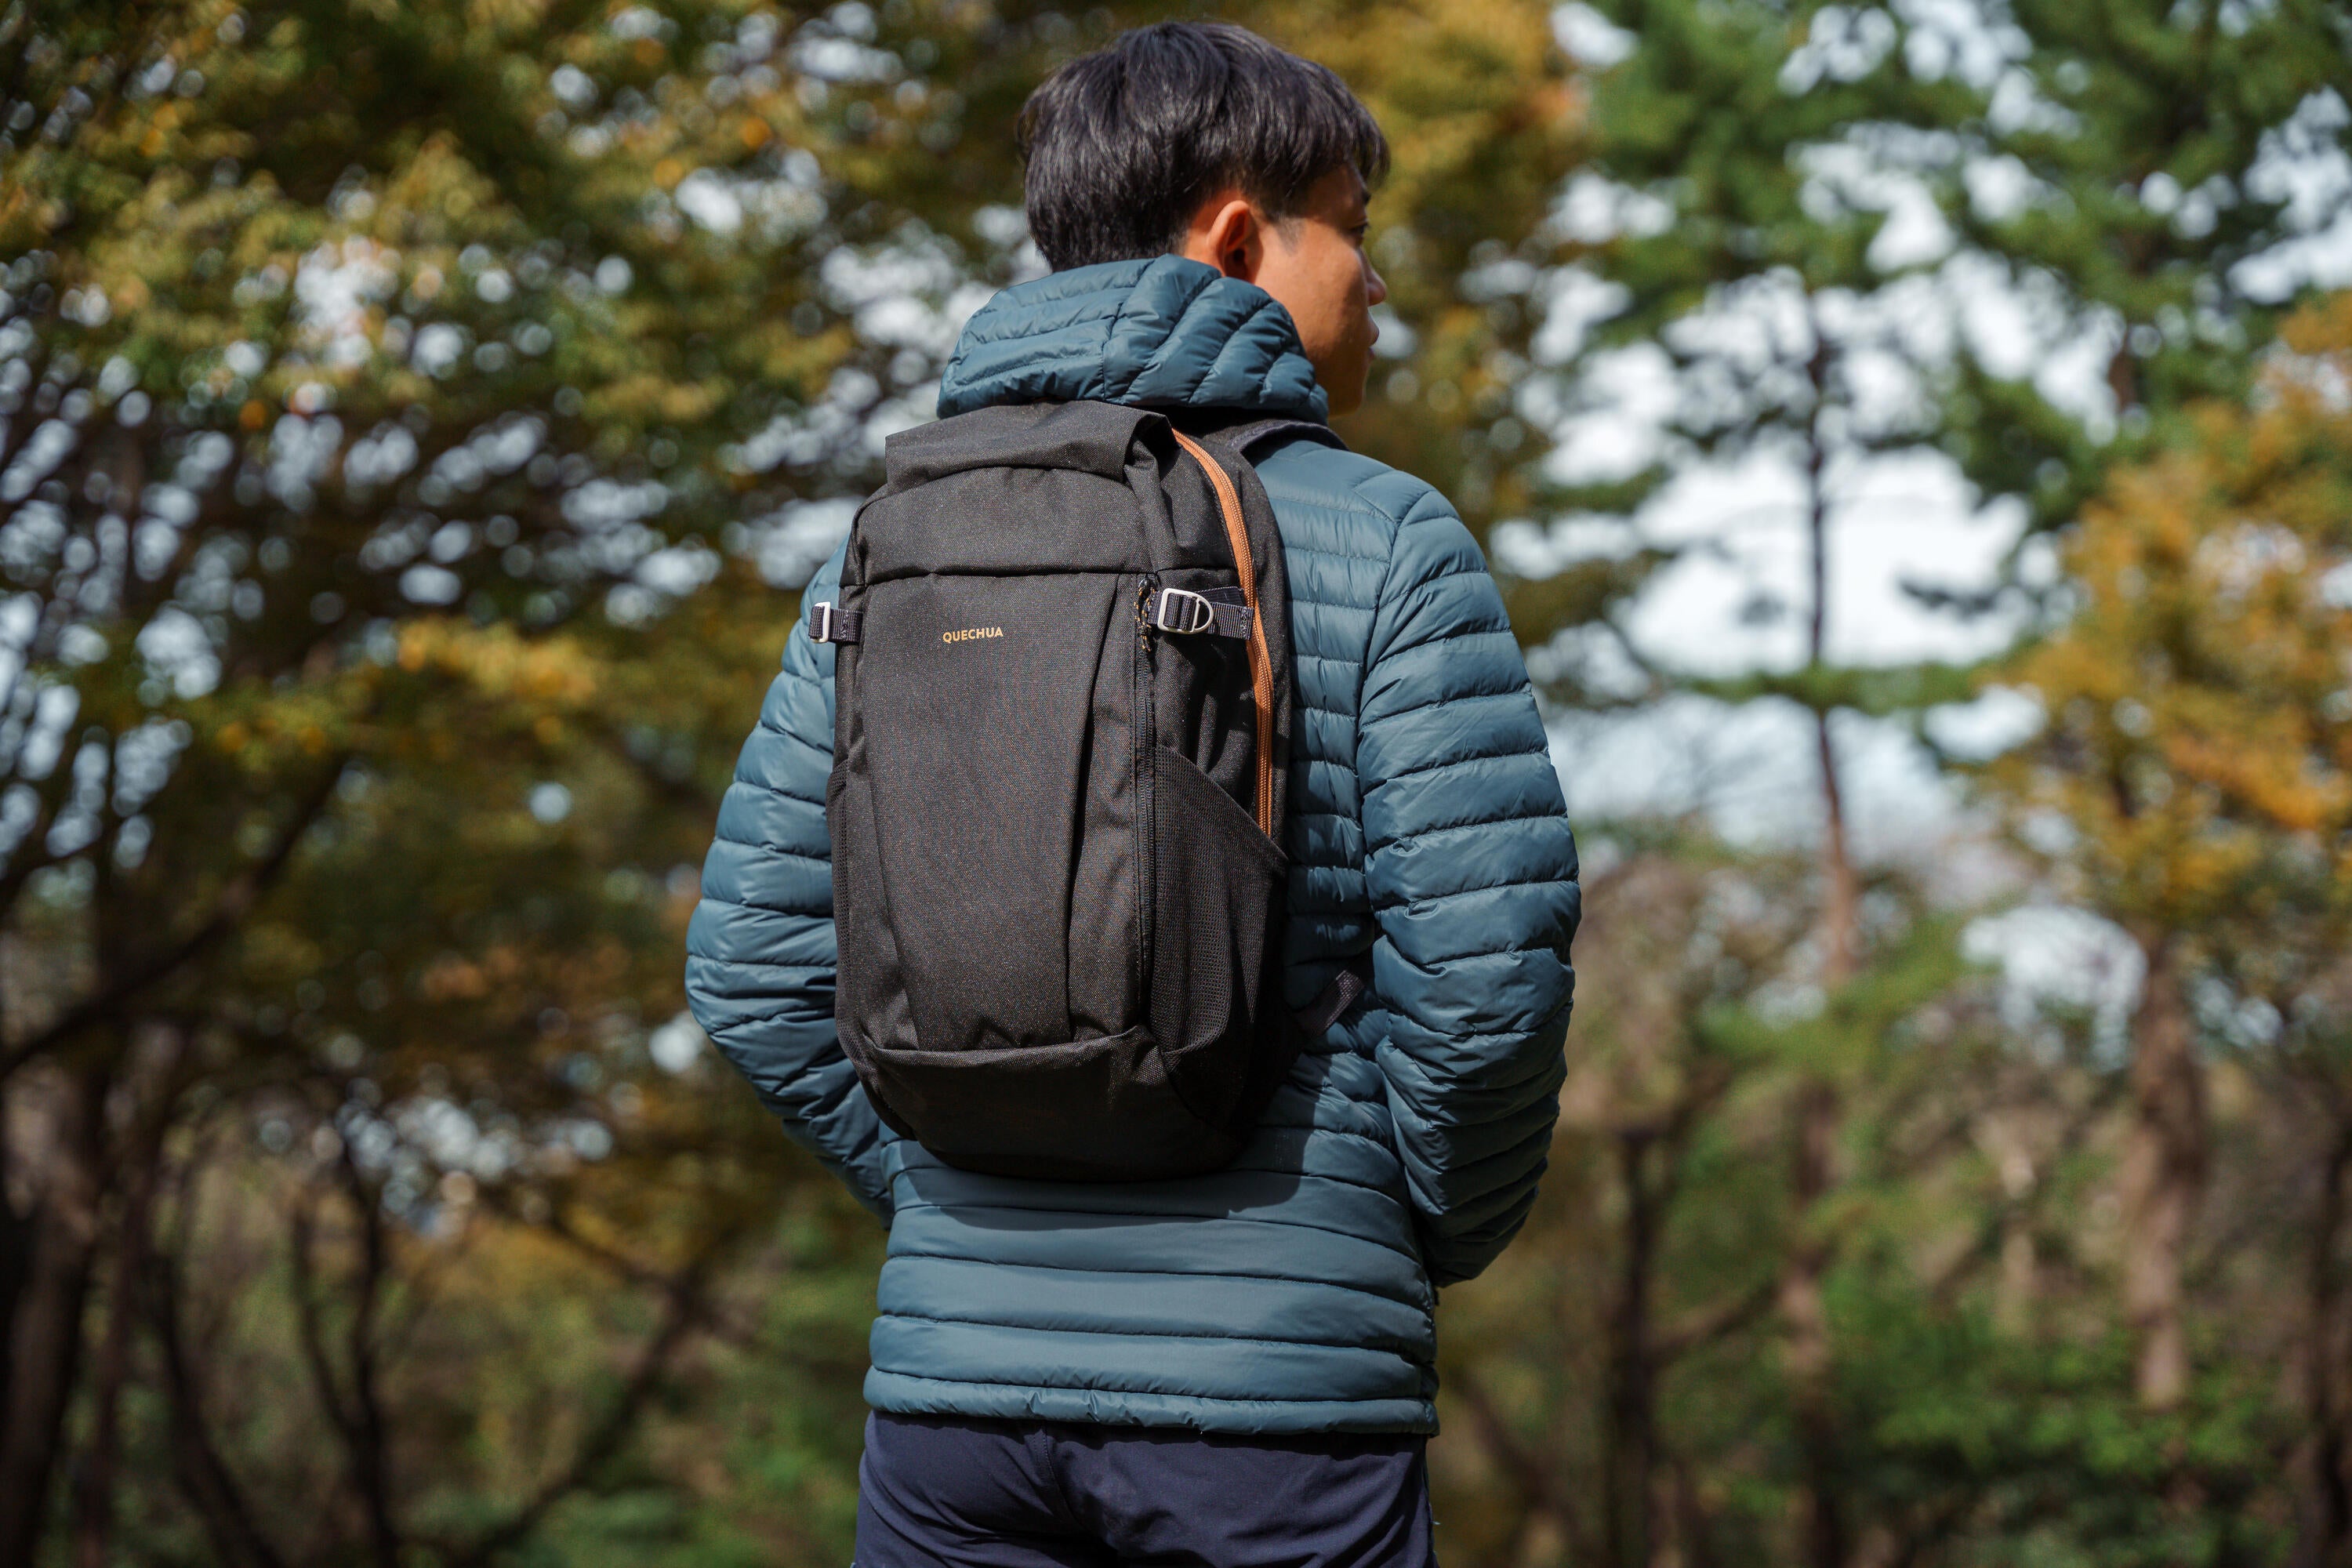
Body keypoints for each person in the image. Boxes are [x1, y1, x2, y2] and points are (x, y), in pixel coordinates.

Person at [685, 22, 1581, 1565]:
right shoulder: (1389, 538)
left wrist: (958, 1195)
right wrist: (1394, 1234)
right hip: (1281, 1417)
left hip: (950, 1427)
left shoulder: (889, 539)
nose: (1379, 287)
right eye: (1354, 232)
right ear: (1238, 235)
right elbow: (1490, 989)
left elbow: (756, 966)